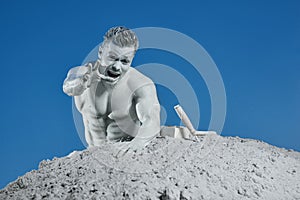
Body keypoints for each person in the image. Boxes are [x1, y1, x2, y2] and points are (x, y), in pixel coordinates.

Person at [63, 26, 161, 153]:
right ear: (100, 52)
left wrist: (139, 143)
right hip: (93, 154)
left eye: (124, 61)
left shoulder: (140, 84)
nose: (116, 66)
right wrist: (83, 82)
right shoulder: (83, 73)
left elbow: (152, 120)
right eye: (112, 58)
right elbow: (69, 87)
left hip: (125, 154)